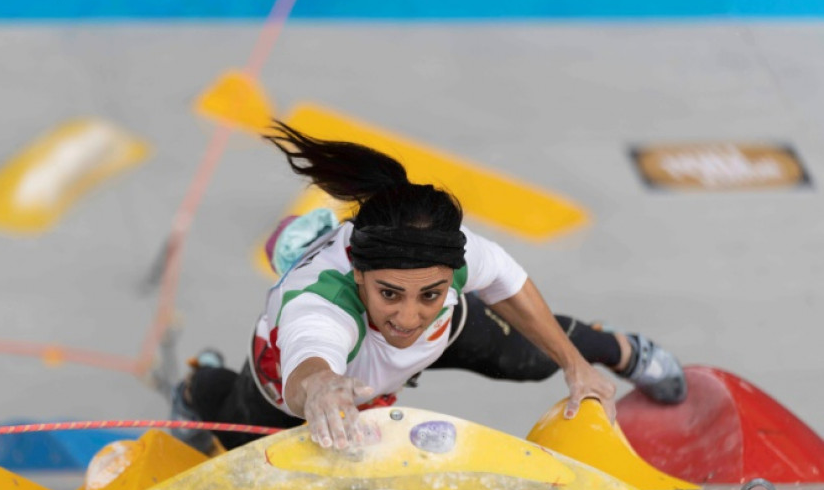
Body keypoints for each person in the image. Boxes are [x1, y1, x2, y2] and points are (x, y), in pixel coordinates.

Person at [170, 121, 686, 454]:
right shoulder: (319, 304)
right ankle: (198, 384)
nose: (410, 318)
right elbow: (309, 356)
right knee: (238, 432)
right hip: (292, 385)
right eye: (390, 293)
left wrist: (577, 367)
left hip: (407, 350)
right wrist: (319, 388)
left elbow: (509, 283)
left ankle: (626, 351)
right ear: (358, 275)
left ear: (449, 277)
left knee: (529, 356)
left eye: (431, 294)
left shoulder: (447, 253)